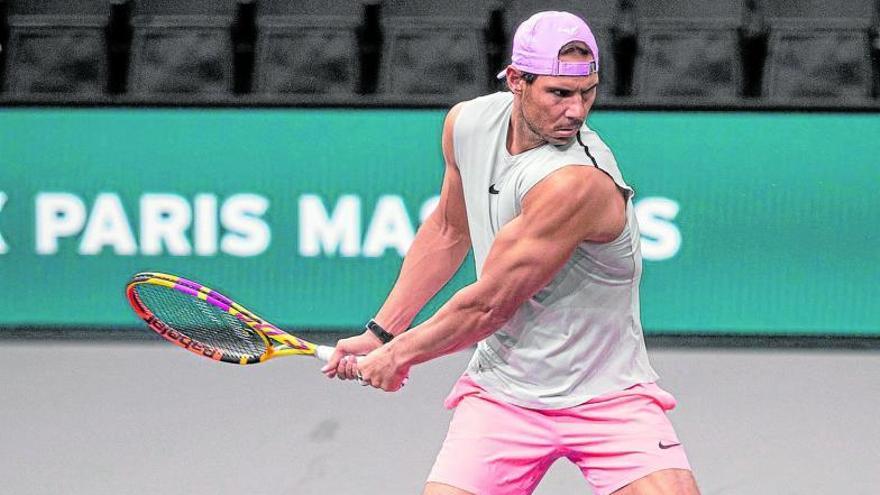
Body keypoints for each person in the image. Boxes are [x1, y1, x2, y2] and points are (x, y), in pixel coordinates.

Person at [323, 10, 700, 495]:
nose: (577, 111)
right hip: (504, 395)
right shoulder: (468, 123)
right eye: (560, 93)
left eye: (588, 92)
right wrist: (381, 332)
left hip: (607, 398)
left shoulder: (575, 182)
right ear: (517, 80)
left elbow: (489, 304)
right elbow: (447, 230)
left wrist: (401, 355)